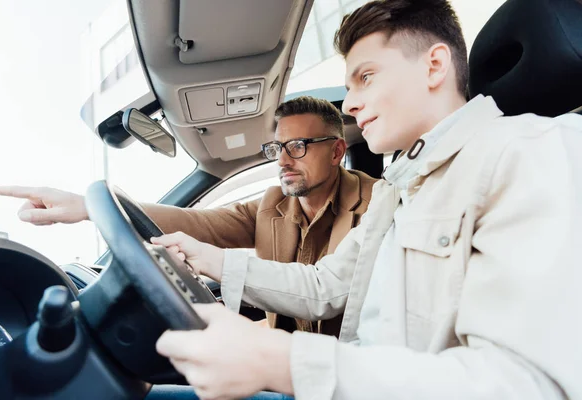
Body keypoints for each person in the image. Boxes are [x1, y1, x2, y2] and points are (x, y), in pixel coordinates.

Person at [148, 1, 582, 399]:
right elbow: (326, 286)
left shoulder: (535, 152)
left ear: (434, 66)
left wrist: (284, 362)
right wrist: (207, 258)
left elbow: (527, 383)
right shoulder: (399, 186)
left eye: (366, 77)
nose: (351, 105)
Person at [0, 96, 378, 337]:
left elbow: (328, 294)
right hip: (284, 357)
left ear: (337, 151)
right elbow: (199, 224)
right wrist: (87, 207)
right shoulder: (272, 203)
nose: (284, 161)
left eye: (298, 146)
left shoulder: (378, 204)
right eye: (277, 148)